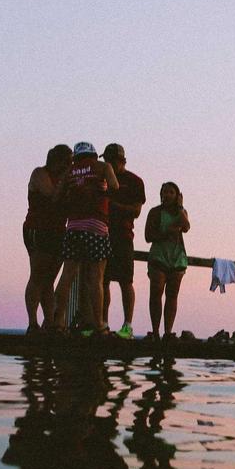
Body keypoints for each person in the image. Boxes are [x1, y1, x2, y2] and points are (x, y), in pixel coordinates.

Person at [52, 142, 118, 336]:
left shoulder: (70, 171)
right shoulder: (103, 167)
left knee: (67, 275)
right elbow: (115, 188)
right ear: (94, 154)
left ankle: (58, 323)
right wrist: (99, 191)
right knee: (96, 278)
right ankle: (99, 325)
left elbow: (56, 198)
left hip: (73, 226)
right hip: (96, 225)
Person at [24, 144, 72, 333]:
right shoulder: (40, 174)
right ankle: (33, 323)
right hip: (38, 228)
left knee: (50, 279)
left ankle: (50, 322)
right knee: (37, 275)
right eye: (68, 161)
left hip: (59, 231)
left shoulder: (66, 180)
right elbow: (52, 195)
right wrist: (67, 181)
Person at [99, 143, 145, 339]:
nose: (108, 164)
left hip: (124, 236)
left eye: (111, 160)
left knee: (126, 281)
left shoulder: (135, 181)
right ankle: (104, 324)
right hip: (102, 234)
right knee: (103, 281)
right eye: (106, 160)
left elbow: (135, 211)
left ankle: (127, 326)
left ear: (122, 161)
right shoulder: (101, 178)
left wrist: (113, 206)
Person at [143, 181, 190, 341]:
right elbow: (148, 236)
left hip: (177, 258)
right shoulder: (155, 212)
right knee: (156, 292)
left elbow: (186, 226)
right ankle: (155, 331)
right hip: (159, 257)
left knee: (172, 295)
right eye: (164, 192)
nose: (167, 195)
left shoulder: (181, 212)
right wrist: (166, 233)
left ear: (177, 195)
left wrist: (180, 207)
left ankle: (168, 332)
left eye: (171, 192)